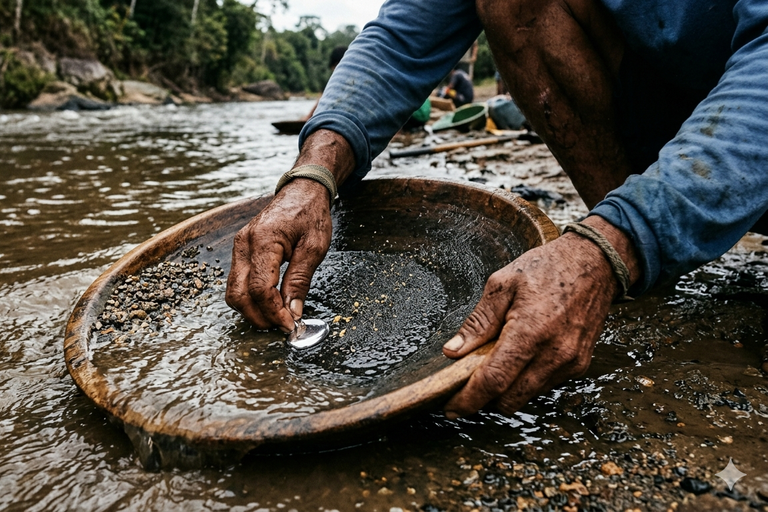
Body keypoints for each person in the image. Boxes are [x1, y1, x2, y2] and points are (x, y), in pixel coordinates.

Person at [226, 0, 768, 420]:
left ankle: (619, 254)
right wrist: (312, 174)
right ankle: (642, 269)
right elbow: (397, 43)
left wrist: (615, 241)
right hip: (667, 117)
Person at [301, 45, 347, 121]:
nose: (333, 70)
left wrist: (308, 117)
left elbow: (323, 99)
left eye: (334, 66)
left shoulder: (340, 81)